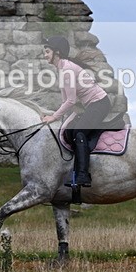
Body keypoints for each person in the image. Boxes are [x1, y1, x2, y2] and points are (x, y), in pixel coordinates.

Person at [41, 36, 110, 187]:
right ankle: (73, 172)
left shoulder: (67, 70)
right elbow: (67, 102)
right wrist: (64, 121)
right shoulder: (63, 69)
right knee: (70, 131)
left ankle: (83, 176)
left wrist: (53, 117)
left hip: (100, 103)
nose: (45, 55)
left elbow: (71, 101)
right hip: (91, 105)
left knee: (79, 132)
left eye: (47, 51)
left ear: (57, 52)